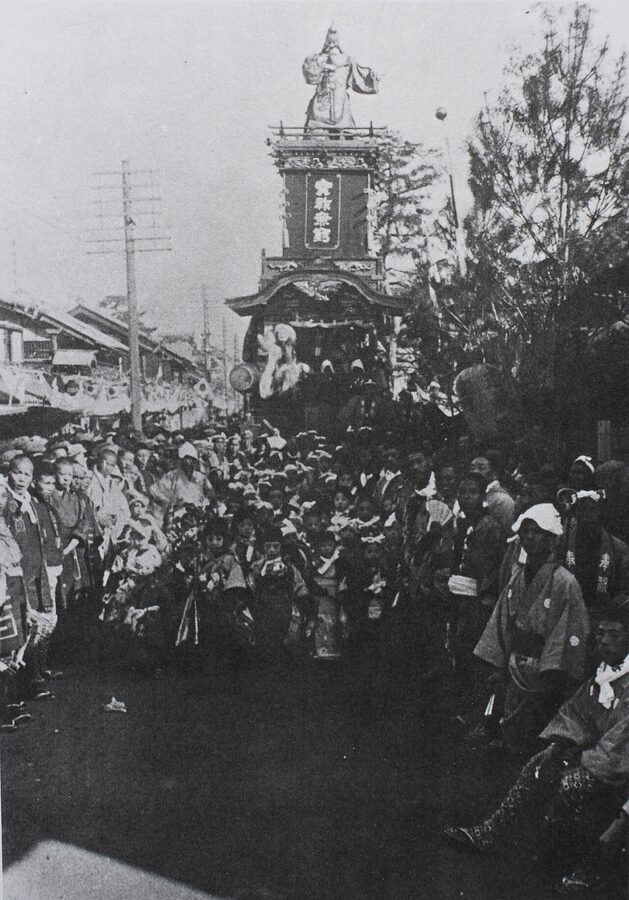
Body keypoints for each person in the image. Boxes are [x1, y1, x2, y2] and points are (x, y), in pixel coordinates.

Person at [445, 605, 629, 894]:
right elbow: (577, 714)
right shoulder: (602, 675)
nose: (604, 640)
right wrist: (562, 744)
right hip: (595, 756)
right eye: (601, 634)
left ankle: (583, 865)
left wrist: (581, 758)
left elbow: (621, 742)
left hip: (618, 770)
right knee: (538, 765)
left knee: (572, 784)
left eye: (614, 635)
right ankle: (490, 832)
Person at [474, 503, 590, 756]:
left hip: (544, 671)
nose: (528, 538)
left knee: (536, 739)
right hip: (515, 665)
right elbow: (502, 621)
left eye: (535, 532)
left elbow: (567, 630)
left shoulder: (564, 582)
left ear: (550, 538)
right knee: (511, 735)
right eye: (525, 532)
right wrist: (500, 662)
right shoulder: (518, 578)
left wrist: (550, 672)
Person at [150, 442, 215, 515]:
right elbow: (154, 491)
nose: (188, 462)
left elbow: (210, 492)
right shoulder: (172, 475)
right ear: (181, 460)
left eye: (191, 459)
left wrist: (205, 501)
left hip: (198, 512)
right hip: (179, 512)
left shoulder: (200, 476)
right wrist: (169, 502)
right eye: (185, 459)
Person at [469, 452, 516, 534]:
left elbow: (509, 533)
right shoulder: (466, 496)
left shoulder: (503, 501)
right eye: (472, 468)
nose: (475, 472)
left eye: (481, 468)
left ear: (493, 473)